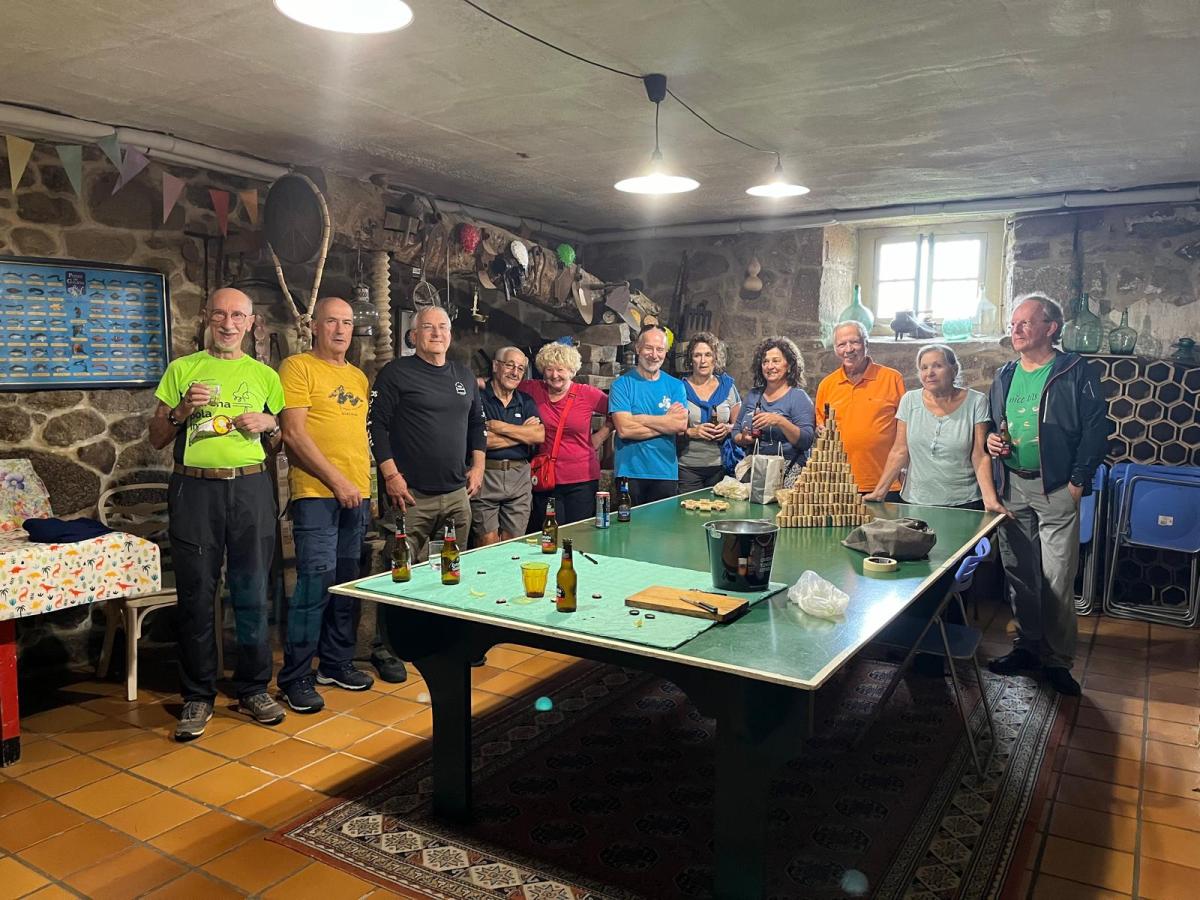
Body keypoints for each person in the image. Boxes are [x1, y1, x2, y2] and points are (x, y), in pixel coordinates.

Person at [148, 287, 286, 741]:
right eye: (220, 315)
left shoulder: (265, 376)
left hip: (251, 488)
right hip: (195, 490)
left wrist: (270, 423)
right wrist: (182, 409)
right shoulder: (182, 369)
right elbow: (156, 436)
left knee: (252, 591)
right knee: (195, 595)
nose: (228, 324)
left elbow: (280, 439)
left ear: (251, 322)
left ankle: (253, 687)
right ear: (207, 317)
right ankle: (197, 695)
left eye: (238, 316)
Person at [985, 293, 1107, 697]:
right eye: (1013, 323)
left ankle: (1057, 661)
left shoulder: (1074, 370)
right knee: (1020, 573)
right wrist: (992, 443)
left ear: (1050, 328)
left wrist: (1078, 480)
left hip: (1055, 486)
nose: (1016, 330)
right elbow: (996, 426)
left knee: (1057, 578)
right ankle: (1027, 647)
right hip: (1012, 485)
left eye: (1025, 323)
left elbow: (1096, 429)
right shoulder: (1005, 374)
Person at [367, 306, 487, 674]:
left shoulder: (463, 375)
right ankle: (388, 648)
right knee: (399, 570)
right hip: (411, 495)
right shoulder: (396, 373)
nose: (437, 334)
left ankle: (444, 636)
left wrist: (478, 466)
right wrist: (391, 475)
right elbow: (375, 426)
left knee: (451, 569)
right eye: (428, 327)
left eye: (443, 327)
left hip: (456, 494)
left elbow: (477, 424)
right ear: (414, 335)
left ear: (450, 333)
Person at [275, 297, 376, 714]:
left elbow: (357, 437)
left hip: (357, 493)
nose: (340, 330)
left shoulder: (357, 377)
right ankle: (295, 676)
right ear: (314, 326)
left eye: (347, 323)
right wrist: (337, 481)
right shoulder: (297, 367)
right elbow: (294, 435)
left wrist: (364, 487)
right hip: (317, 495)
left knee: (346, 584)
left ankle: (335, 664)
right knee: (314, 585)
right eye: (331, 321)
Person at [865, 344, 1008, 514]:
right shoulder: (909, 400)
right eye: (924, 368)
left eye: (937, 366)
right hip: (916, 502)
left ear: (954, 370)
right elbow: (899, 451)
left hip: (964, 503)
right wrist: (879, 492)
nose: (929, 373)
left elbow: (980, 455)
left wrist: (990, 499)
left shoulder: (976, 402)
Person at [519, 342, 611, 532]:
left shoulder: (586, 393)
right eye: (549, 369)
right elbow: (500, 384)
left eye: (560, 369)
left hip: (582, 479)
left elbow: (618, 412)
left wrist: (600, 436)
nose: (554, 375)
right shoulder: (533, 389)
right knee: (549, 534)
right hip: (545, 478)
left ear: (571, 371)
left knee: (579, 534)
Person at [815, 321, 906, 497]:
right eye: (842, 344)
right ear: (835, 349)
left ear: (866, 343)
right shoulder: (827, 385)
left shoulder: (892, 379)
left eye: (854, 342)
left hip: (886, 484)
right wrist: (820, 430)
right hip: (839, 484)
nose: (848, 349)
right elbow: (820, 425)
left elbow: (906, 432)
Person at [609, 325, 688, 506]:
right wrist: (666, 423)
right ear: (638, 348)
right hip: (629, 473)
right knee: (628, 524)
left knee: (663, 525)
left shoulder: (676, 386)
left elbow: (680, 426)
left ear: (665, 352)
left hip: (665, 472)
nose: (654, 355)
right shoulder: (621, 385)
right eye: (649, 348)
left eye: (660, 349)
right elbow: (625, 430)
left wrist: (639, 418)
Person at [474, 347, 544, 544]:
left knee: (513, 542)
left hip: (519, 477)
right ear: (496, 366)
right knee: (486, 542)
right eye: (510, 365)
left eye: (520, 368)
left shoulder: (526, 401)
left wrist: (499, 427)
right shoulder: (477, 399)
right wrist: (523, 434)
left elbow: (539, 435)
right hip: (485, 476)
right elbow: (481, 440)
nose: (515, 372)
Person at [733, 336, 814, 483]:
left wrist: (780, 421)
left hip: (788, 471)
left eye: (776, 361)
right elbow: (736, 431)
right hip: (756, 469)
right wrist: (744, 439)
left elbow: (806, 441)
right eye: (765, 362)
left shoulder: (798, 397)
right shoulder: (753, 395)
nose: (770, 366)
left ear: (789, 365)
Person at [677, 332, 742, 492]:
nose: (703, 360)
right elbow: (670, 428)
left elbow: (740, 425)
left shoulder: (728, 387)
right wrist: (692, 431)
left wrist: (727, 428)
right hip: (688, 466)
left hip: (722, 466)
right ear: (690, 359)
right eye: (697, 355)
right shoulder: (679, 388)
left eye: (708, 355)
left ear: (715, 358)